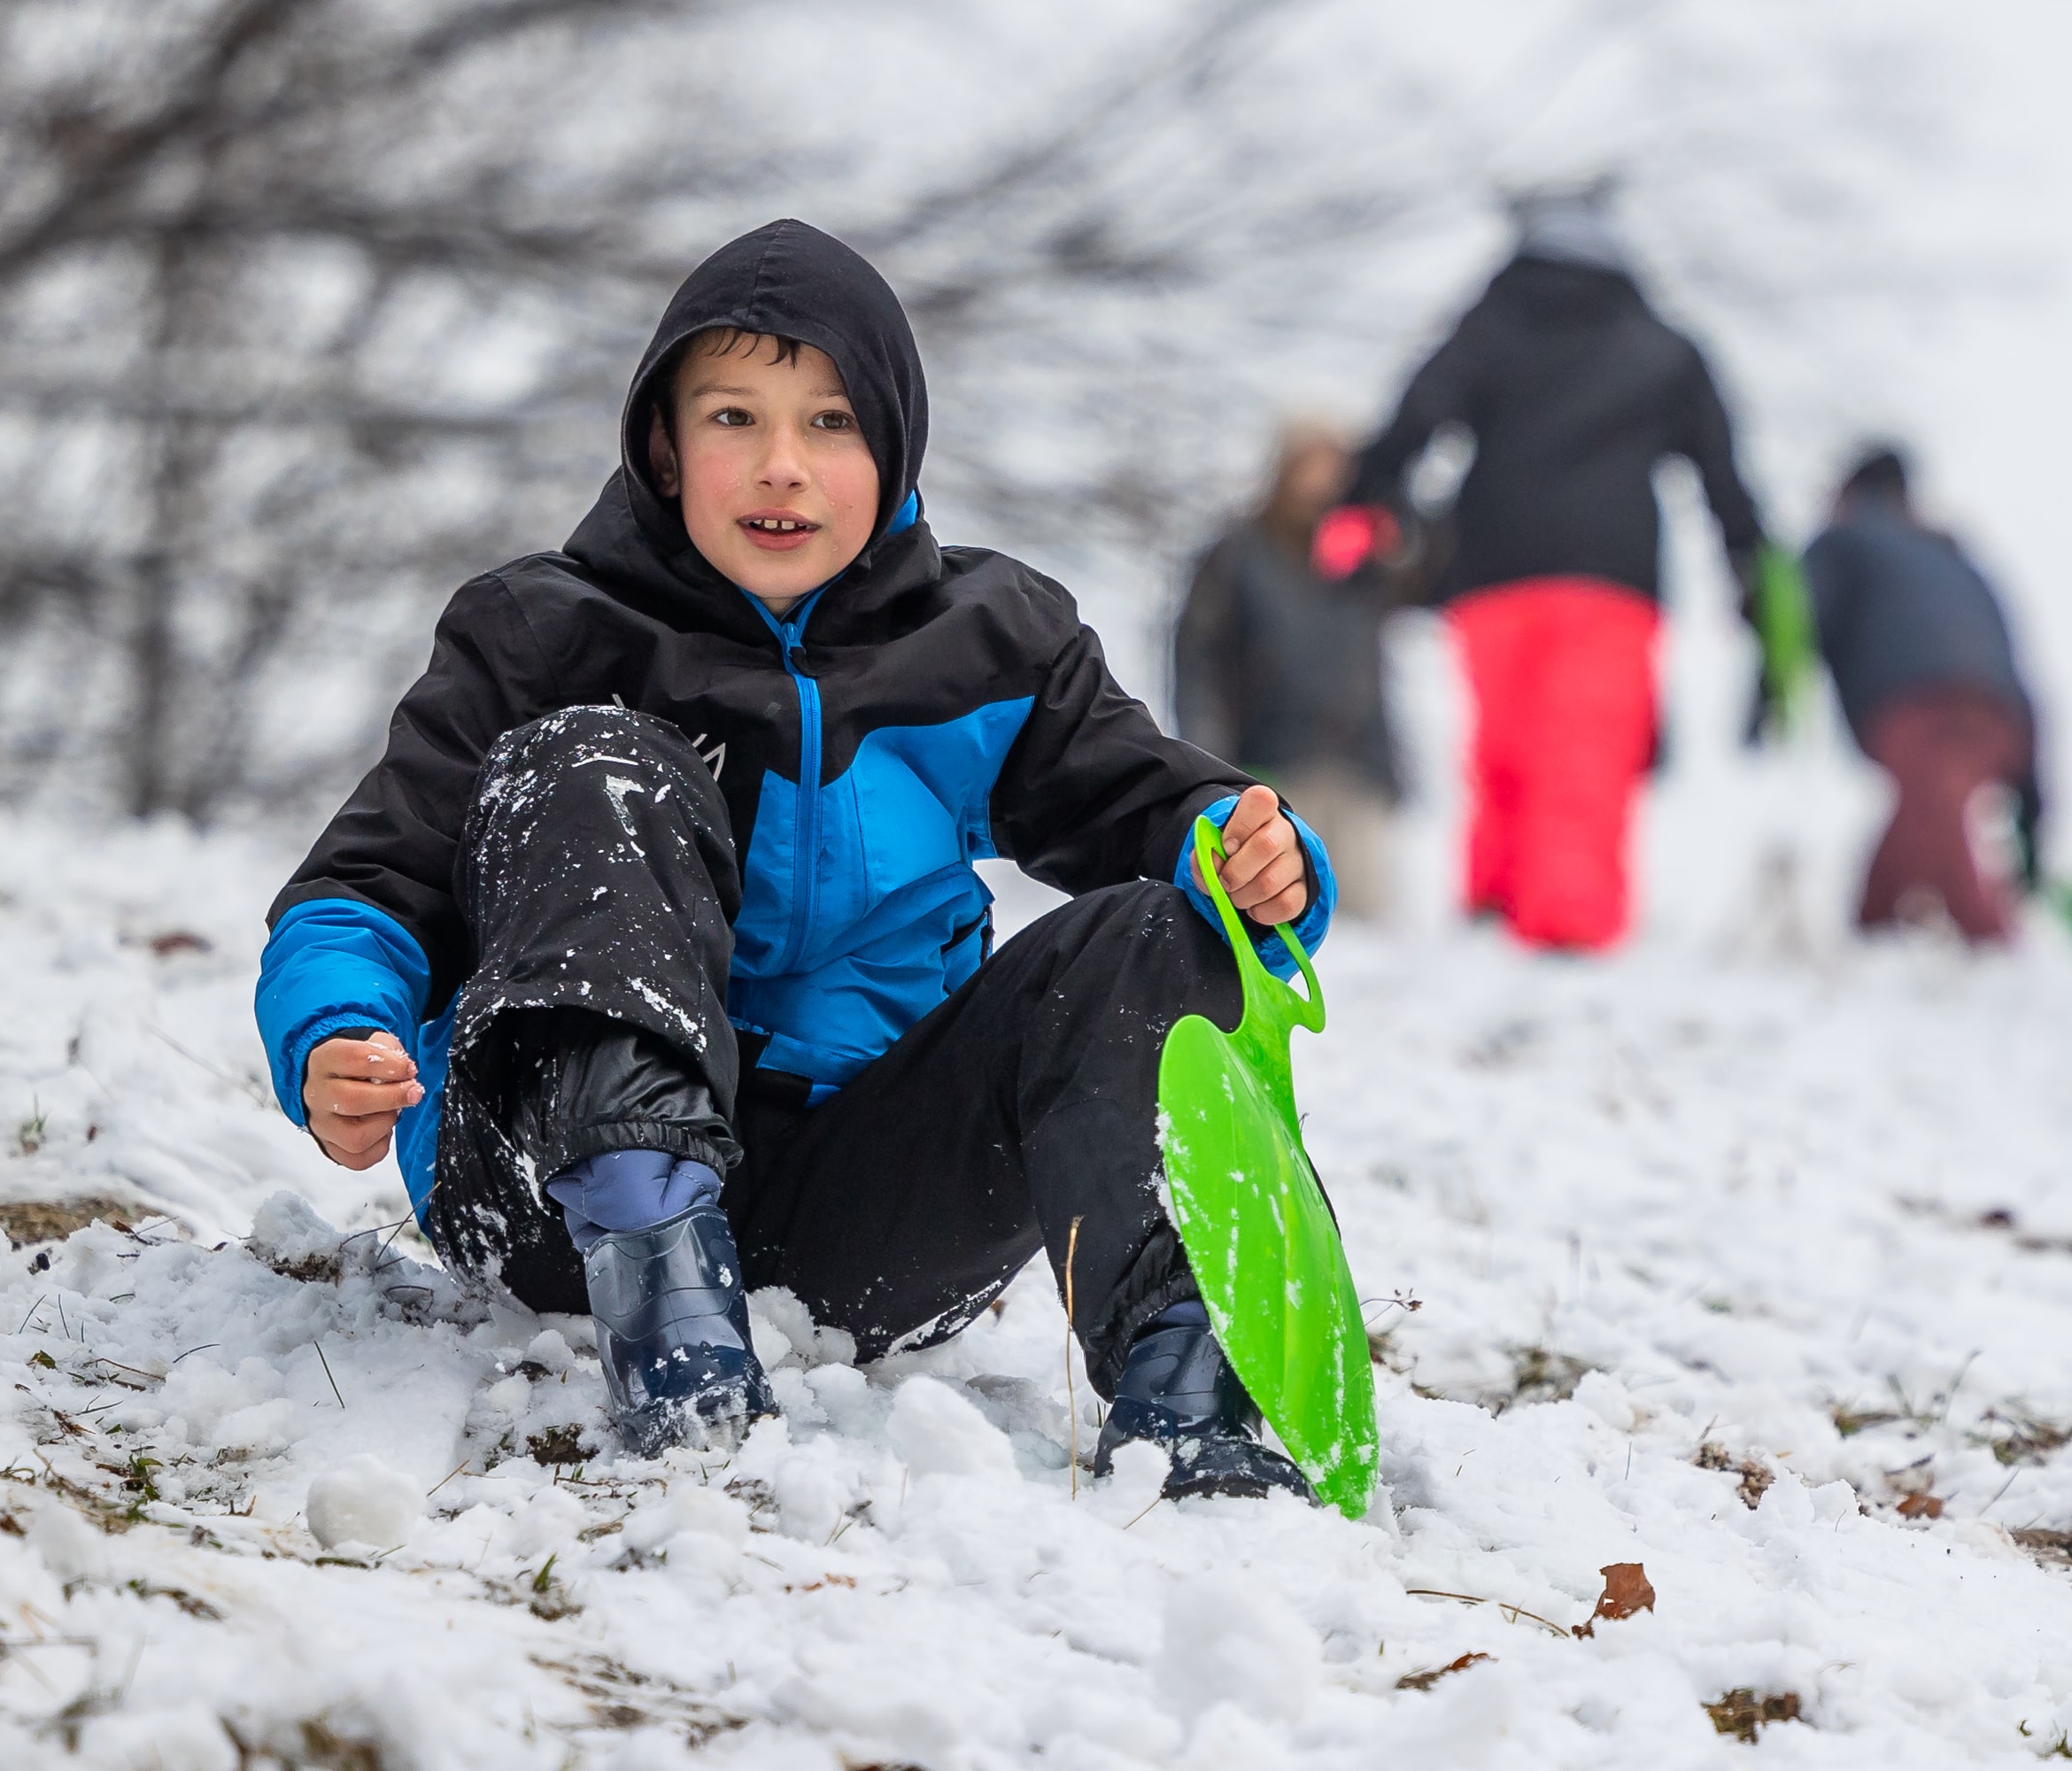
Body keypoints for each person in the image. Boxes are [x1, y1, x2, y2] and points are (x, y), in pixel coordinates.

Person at [252, 220, 1337, 1496]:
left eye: (831, 423)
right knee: (598, 761)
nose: (783, 467)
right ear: (664, 445)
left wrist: (1253, 857)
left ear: (894, 448)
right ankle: (667, 1310)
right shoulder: (542, 635)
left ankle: (1187, 1394)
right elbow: (368, 882)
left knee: (1152, 928)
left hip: (869, 1218)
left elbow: (1160, 804)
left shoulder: (993, 641)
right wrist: (336, 1030)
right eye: (733, 418)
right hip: (553, 1199)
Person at [1327, 183, 1767, 950]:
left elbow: (1419, 410)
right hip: (1611, 580)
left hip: (1492, 569)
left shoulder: (1490, 327)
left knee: (1503, 747)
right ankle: (1567, 920)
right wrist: (1750, 564)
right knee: (1584, 749)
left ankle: (1494, 899)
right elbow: (1721, 470)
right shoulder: (1660, 345)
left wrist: (1365, 498)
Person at [1173, 418, 1414, 922]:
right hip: (1270, 769)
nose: (1324, 482)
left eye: (1339, 467)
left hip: (1359, 768)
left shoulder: (1367, 556)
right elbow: (1197, 662)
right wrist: (1211, 768)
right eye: (1313, 464)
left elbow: (1428, 569)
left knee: (1368, 924)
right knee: (1276, 918)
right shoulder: (1238, 553)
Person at [1803, 446, 2039, 943]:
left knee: (1936, 822)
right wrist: (2035, 818)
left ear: (1849, 493)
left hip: (1913, 708)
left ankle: (1996, 947)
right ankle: (1873, 936)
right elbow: (2014, 663)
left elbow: (1797, 615)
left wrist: (1763, 698)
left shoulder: (1843, 540)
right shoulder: (1958, 557)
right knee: (1923, 819)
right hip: (2002, 719)